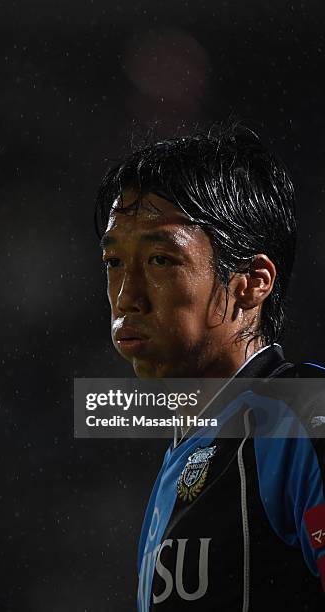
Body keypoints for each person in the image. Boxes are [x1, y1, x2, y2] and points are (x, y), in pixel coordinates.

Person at [95, 122, 325, 610]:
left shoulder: (303, 417)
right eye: (114, 262)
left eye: (160, 260)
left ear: (251, 283)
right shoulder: (192, 446)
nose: (126, 296)